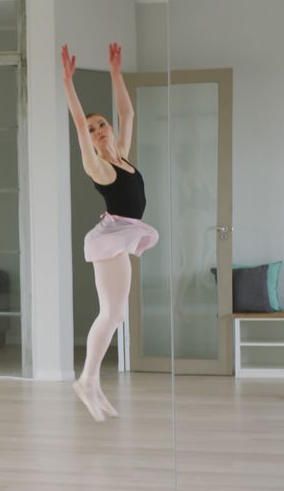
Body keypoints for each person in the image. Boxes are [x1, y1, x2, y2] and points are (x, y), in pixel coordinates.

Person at [62, 43, 159, 422]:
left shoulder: (122, 155)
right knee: (112, 312)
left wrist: (116, 73)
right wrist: (68, 84)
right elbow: (78, 125)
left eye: (101, 124)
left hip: (122, 234)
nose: (98, 131)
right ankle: (86, 379)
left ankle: (93, 381)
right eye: (92, 130)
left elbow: (127, 111)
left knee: (115, 314)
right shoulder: (100, 167)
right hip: (110, 238)